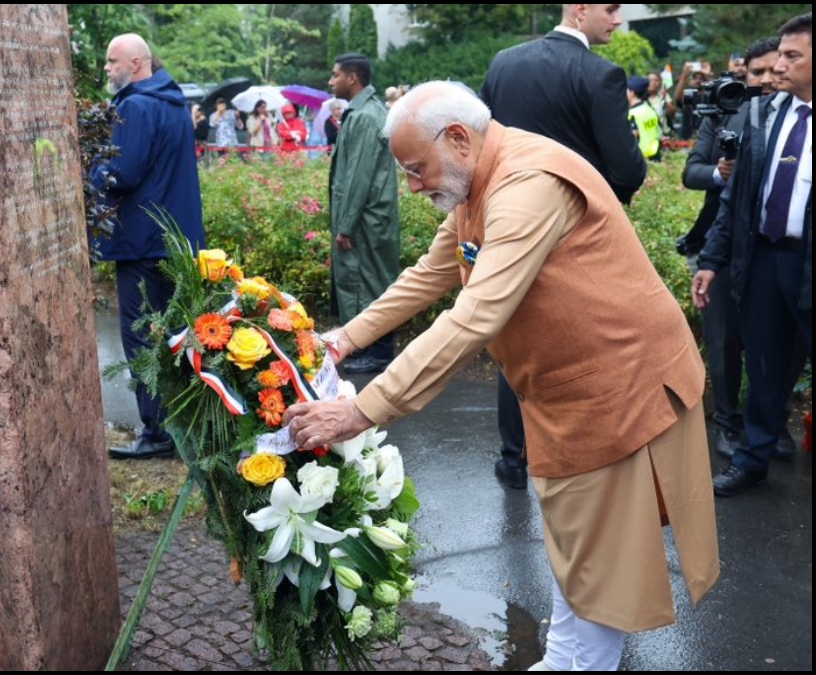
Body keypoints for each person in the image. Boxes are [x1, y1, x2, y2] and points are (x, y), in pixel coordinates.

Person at [285, 81, 719, 672]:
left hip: (619, 390)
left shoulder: (526, 185)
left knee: (600, 563)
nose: (412, 187)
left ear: (458, 139)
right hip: (573, 394)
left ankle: (578, 665)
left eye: (416, 169)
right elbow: (431, 273)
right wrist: (340, 340)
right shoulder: (478, 180)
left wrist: (363, 409)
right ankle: (562, 659)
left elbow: (474, 316)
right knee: (581, 548)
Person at [479, 2, 648, 490]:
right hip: (578, 236)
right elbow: (629, 169)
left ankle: (515, 459)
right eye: (612, 9)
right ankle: (582, 457)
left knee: (516, 341)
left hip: (507, 228)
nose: (618, 20)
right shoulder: (601, 75)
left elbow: (486, 145)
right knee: (584, 342)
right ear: (579, 10)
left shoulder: (504, 62)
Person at [692, 13, 812, 497]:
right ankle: (753, 458)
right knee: (764, 364)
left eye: (792, 56)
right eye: (779, 55)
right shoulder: (764, 115)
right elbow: (735, 199)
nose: (776, 66)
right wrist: (711, 261)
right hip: (765, 260)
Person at [89, 34, 205, 460]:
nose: (106, 68)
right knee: (175, 337)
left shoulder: (138, 105)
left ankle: (158, 434)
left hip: (142, 242)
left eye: (111, 60)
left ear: (136, 63)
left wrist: (91, 168)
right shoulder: (172, 102)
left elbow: (125, 173)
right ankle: (181, 427)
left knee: (142, 339)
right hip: (175, 239)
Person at [680, 36, 782, 459]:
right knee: (722, 342)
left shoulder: (798, 121)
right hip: (719, 243)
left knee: (775, 342)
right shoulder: (727, 113)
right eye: (754, 73)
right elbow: (692, 172)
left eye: (771, 70)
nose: (765, 80)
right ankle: (725, 422)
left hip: (774, 251)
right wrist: (723, 174)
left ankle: (772, 425)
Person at [327, 53, 400, 375]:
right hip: (368, 218)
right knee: (367, 281)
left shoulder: (365, 116)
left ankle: (380, 353)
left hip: (366, 220)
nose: (331, 82)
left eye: (335, 75)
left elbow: (359, 176)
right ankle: (370, 349)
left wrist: (345, 225)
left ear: (352, 77)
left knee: (370, 283)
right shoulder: (364, 112)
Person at [627, 75, 663, 161]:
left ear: (632, 93)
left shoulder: (632, 114)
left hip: (641, 158)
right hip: (655, 155)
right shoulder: (650, 109)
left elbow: (631, 138)